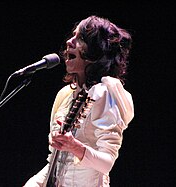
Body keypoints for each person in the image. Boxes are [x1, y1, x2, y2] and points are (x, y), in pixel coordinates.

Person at [24, 15, 134, 187]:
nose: (69, 42)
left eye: (80, 38)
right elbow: (56, 163)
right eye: (72, 36)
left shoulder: (105, 93)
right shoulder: (65, 95)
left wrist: (75, 146)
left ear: (96, 51)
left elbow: (107, 163)